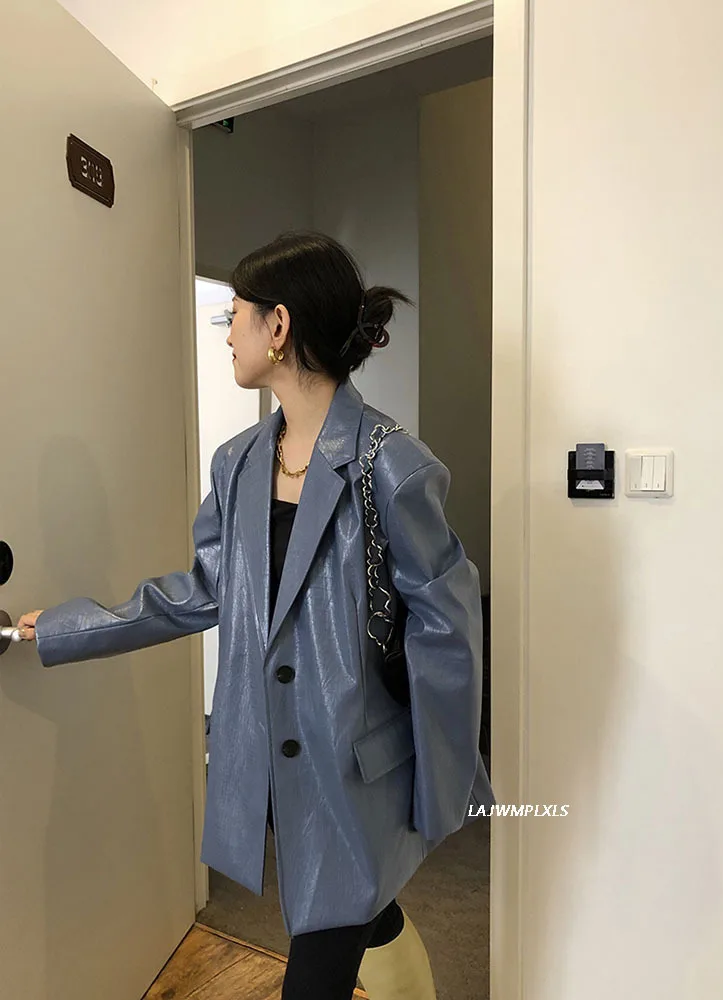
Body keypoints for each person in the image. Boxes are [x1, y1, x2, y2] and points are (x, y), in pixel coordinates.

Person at [17, 230, 496, 999]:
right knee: (369, 915)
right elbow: (203, 590)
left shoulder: (393, 465)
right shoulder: (237, 462)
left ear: (279, 326)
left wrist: (443, 789)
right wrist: (67, 626)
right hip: (269, 761)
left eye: (234, 315)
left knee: (319, 964)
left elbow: (448, 633)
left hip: (354, 774)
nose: (227, 333)